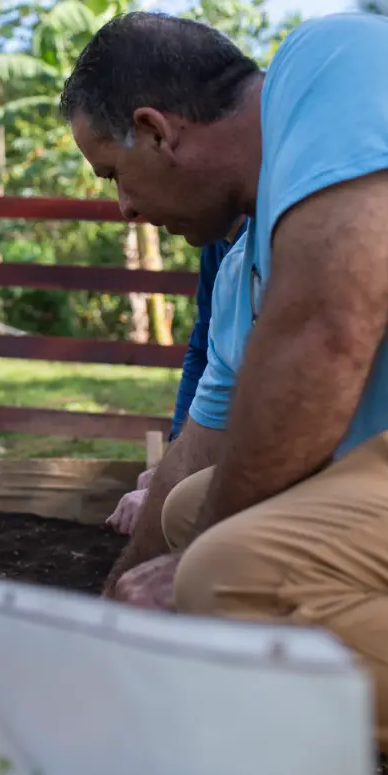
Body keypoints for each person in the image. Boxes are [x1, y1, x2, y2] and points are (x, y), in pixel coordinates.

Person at [60, 9, 388, 775]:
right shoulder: (243, 271)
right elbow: (198, 450)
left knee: (223, 572)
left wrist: (185, 571)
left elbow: (330, 329)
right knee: (194, 504)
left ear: (158, 131)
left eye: (112, 175)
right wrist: (109, 622)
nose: (122, 208)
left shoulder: (336, 61)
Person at [105, 216, 246, 536]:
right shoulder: (217, 241)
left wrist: (178, 473)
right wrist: (173, 460)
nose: (128, 209)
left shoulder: (276, 238)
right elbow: (204, 353)